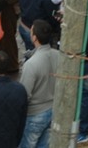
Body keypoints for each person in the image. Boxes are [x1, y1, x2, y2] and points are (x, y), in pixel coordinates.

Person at [19, 20, 62, 148]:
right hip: (52, 109)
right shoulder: (58, 55)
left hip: (35, 114)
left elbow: (24, 94)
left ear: (34, 37)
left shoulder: (31, 64)